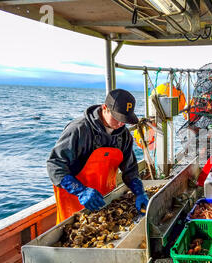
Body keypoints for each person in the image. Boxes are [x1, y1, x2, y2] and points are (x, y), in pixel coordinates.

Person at [47, 88, 149, 225]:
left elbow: (130, 170)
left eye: (124, 120)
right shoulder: (79, 129)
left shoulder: (123, 135)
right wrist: (80, 191)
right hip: (75, 202)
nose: (120, 124)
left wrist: (139, 192)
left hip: (105, 200)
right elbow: (55, 165)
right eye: (117, 118)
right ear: (105, 108)